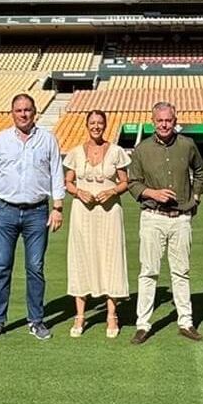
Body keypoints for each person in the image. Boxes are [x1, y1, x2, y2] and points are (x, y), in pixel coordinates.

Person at [0, 92, 64, 342]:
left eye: (27, 110)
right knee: (1, 266)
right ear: (12, 113)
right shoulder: (1, 140)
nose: (23, 114)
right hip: (5, 211)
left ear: (34, 112)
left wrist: (58, 208)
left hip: (38, 212)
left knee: (35, 268)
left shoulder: (48, 139)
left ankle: (36, 320)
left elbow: (56, 173)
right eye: (18, 110)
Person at [125, 101, 203, 344]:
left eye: (168, 120)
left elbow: (200, 172)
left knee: (181, 272)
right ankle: (143, 324)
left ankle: (186, 322)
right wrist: (153, 193)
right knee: (148, 272)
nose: (164, 124)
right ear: (153, 122)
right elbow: (133, 182)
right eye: (160, 120)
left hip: (181, 218)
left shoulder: (187, 145)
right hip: (153, 217)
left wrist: (196, 196)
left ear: (175, 120)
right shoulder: (141, 149)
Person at [63, 109, 131, 338]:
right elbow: (68, 182)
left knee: (110, 258)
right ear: (86, 125)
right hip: (82, 214)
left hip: (109, 213)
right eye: (92, 123)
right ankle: (80, 315)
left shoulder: (116, 152)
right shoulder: (74, 153)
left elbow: (125, 181)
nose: (96, 126)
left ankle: (112, 315)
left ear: (105, 125)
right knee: (81, 258)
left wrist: (112, 190)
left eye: (100, 123)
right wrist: (78, 192)